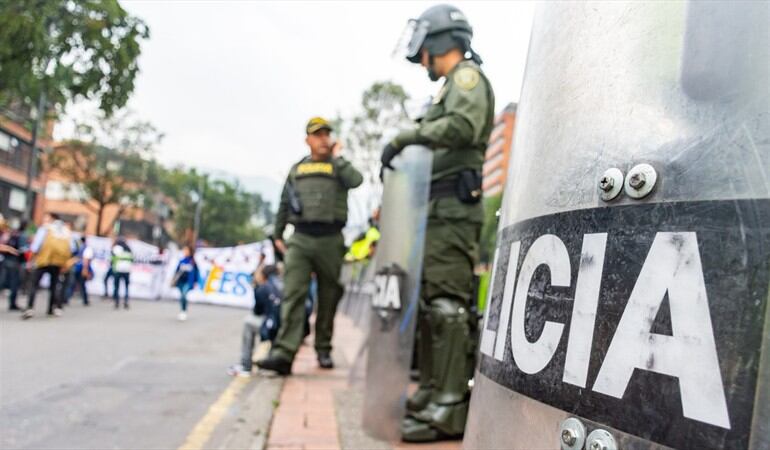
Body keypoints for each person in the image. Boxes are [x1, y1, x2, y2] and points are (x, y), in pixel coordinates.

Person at [381, 5, 495, 442]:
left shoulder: (466, 78)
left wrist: (406, 136)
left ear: (438, 42)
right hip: (436, 212)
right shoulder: (449, 87)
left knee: (447, 307)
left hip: (453, 212)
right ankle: (432, 392)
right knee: (431, 307)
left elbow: (464, 125)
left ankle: (449, 407)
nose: (422, 57)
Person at [256, 117, 363, 375]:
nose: (323, 139)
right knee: (292, 295)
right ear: (308, 140)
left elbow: (356, 180)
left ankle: (323, 348)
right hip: (301, 239)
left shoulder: (338, 166)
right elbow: (284, 202)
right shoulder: (297, 170)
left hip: (330, 239)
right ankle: (283, 353)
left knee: (329, 296)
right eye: (318, 135)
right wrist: (278, 233)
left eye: (326, 134)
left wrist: (338, 157)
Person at [228, 264, 283, 377]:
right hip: (290, 327)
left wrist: (256, 287)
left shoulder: (264, 288)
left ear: (264, 275)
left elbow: (257, 311)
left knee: (248, 322)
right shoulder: (282, 283)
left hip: (276, 328)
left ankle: (246, 365)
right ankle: (269, 359)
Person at [22, 213, 77, 319]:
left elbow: (35, 246)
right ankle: (51, 309)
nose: (44, 219)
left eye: (46, 217)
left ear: (52, 219)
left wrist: (30, 261)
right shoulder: (66, 231)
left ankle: (29, 307)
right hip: (57, 263)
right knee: (53, 286)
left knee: (34, 284)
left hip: (43, 260)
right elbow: (72, 248)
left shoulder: (45, 229)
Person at [0, 220, 26, 311]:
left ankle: (12, 303)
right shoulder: (21, 235)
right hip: (14, 261)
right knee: (14, 283)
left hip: (6, 260)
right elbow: (22, 250)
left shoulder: (8, 235)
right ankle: (12, 303)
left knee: (3, 281)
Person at [173, 245, 200, 321]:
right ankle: (182, 310)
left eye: (186, 250)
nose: (185, 252)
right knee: (182, 296)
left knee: (184, 294)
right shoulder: (181, 261)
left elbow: (196, 272)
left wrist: (195, 281)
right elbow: (176, 271)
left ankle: (184, 311)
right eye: (184, 250)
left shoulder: (193, 262)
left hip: (188, 282)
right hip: (180, 281)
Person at [65, 236, 94, 306]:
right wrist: (85, 269)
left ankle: (65, 299)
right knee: (81, 285)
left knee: (72, 284)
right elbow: (86, 260)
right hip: (81, 269)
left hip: (76, 268)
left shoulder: (79, 248)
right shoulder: (87, 248)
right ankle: (85, 300)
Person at [111, 238, 133, 309]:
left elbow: (112, 259)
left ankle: (117, 302)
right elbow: (132, 260)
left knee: (117, 287)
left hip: (118, 270)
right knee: (126, 287)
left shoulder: (116, 248)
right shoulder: (129, 250)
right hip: (127, 271)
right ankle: (126, 302)